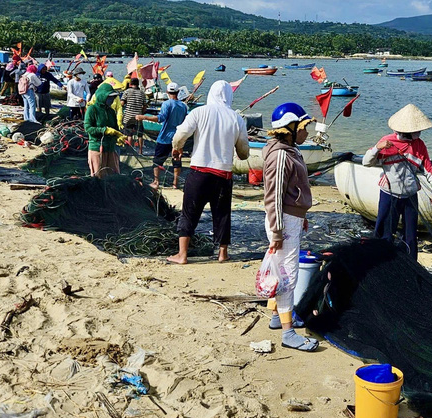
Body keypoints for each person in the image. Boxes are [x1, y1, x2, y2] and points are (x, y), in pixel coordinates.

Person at [169, 80, 250, 264]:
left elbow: (180, 134)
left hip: (199, 172)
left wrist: (177, 148)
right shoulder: (236, 118)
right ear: (229, 96)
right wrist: (238, 151)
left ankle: (182, 255)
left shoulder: (199, 112)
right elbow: (244, 152)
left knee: (189, 212)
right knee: (222, 214)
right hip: (223, 175)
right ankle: (223, 254)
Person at [260, 102, 318, 351]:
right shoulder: (282, 155)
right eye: (304, 127)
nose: (307, 131)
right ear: (290, 128)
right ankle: (288, 333)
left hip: (290, 218)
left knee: (280, 272)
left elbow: (292, 191)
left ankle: (276, 316)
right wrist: (277, 232)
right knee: (287, 276)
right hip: (282, 222)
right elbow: (273, 197)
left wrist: (301, 213)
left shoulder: (290, 150)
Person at [363, 104, 432, 261]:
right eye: (416, 130)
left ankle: (410, 265)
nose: (419, 132)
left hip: (410, 196)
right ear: (407, 131)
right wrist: (377, 148)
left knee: (410, 236)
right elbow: (366, 162)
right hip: (389, 195)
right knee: (385, 233)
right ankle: (380, 265)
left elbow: (429, 171)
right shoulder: (387, 141)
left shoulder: (420, 145)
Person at [136, 81, 188, 189]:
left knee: (157, 161)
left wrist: (144, 117)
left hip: (165, 138)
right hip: (178, 137)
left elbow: (161, 118)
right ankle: (175, 183)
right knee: (177, 160)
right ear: (178, 92)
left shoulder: (167, 104)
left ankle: (156, 181)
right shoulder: (183, 106)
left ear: (167, 92)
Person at [84, 81, 123, 176]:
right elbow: (88, 128)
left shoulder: (111, 111)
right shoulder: (92, 109)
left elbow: (115, 129)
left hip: (111, 148)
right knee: (99, 177)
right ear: (102, 96)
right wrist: (104, 130)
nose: (112, 100)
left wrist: (118, 136)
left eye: (113, 98)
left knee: (113, 175)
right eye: (109, 98)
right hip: (97, 148)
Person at [121, 77, 147, 142]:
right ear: (138, 84)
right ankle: (140, 151)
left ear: (130, 84)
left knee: (129, 134)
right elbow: (145, 106)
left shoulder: (127, 91)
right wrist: (142, 113)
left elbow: (122, 103)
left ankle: (129, 149)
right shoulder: (142, 93)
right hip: (138, 116)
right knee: (140, 135)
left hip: (128, 116)